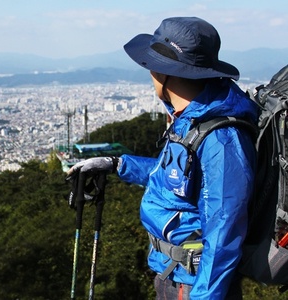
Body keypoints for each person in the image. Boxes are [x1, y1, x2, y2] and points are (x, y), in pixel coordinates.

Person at [67, 17, 258, 299]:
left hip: (194, 284)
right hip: (172, 275)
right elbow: (173, 177)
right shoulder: (191, 120)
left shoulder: (222, 138)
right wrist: (117, 164)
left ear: (163, 71)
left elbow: (224, 233)